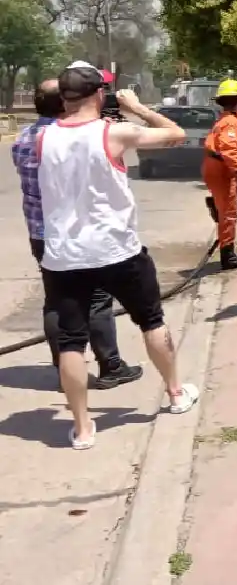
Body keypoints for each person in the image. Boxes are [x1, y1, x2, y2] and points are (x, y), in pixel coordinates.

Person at [38, 62, 200, 449]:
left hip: (65, 255)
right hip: (117, 250)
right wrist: (138, 107)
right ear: (99, 94)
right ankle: (176, 392)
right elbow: (175, 134)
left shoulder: (40, 138)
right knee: (150, 320)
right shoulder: (114, 132)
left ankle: (82, 428)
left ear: (64, 97)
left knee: (71, 342)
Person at [11, 80, 143, 390]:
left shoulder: (24, 137)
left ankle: (66, 369)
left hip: (40, 233)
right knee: (97, 298)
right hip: (74, 231)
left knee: (56, 301)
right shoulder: (64, 136)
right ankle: (111, 365)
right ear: (64, 102)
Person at [201, 79, 237, 271]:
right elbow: (230, 151)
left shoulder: (231, 121)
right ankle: (228, 257)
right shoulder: (230, 124)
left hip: (218, 167)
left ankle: (217, 205)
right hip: (220, 169)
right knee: (229, 213)